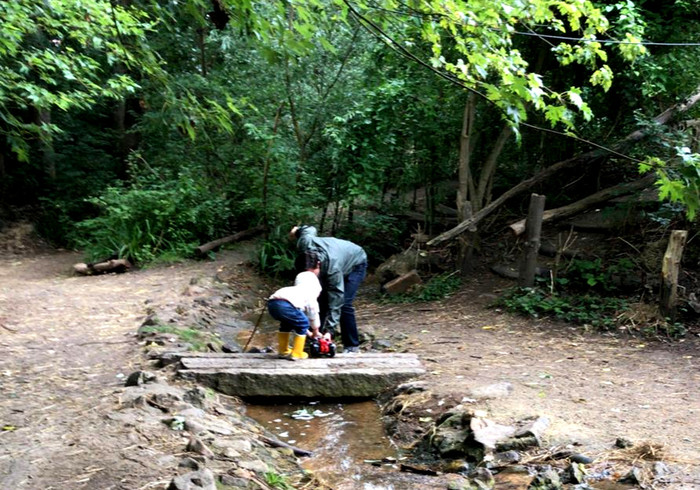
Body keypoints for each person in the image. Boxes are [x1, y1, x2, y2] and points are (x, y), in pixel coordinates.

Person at [290, 225, 368, 353]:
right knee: (320, 300)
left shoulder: (333, 270)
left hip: (356, 261)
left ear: (318, 265)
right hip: (335, 255)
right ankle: (315, 339)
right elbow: (310, 229)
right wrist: (298, 230)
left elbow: (336, 300)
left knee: (344, 303)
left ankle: (352, 346)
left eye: (312, 273)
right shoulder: (304, 244)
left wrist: (329, 331)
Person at [267, 251, 322, 360]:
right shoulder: (312, 290)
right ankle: (297, 353)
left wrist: (308, 332)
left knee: (287, 324)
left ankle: (283, 350)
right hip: (286, 304)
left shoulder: (298, 290)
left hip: (273, 302)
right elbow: (312, 310)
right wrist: (315, 330)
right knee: (303, 322)